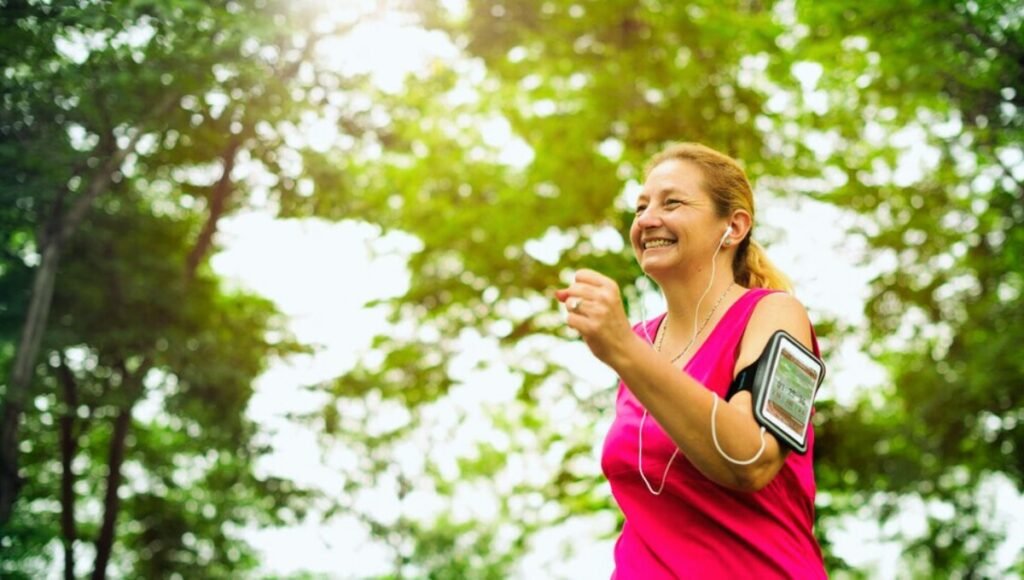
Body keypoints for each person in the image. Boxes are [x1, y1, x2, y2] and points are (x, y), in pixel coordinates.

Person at [556, 142, 827, 578]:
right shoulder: (641, 342)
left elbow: (752, 460)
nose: (646, 219)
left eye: (672, 202)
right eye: (641, 206)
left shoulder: (775, 314)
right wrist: (628, 350)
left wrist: (624, 351)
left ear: (733, 227)